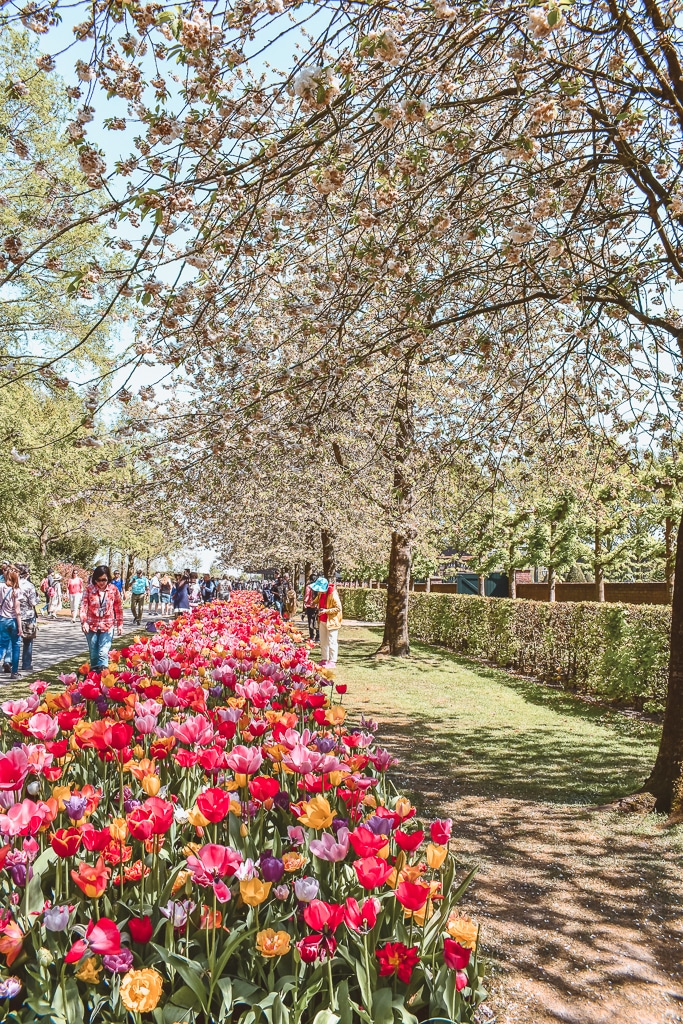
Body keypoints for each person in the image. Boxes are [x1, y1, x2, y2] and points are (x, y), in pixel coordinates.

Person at [80, 565, 123, 671]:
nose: (101, 582)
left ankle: (104, 677)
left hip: (108, 625)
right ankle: (94, 678)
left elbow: (118, 607)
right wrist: (84, 622)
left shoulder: (113, 589)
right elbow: (83, 606)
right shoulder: (89, 589)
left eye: (104, 579)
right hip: (91, 625)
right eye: (98, 580)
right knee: (94, 654)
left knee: (103, 652)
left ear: (108, 578)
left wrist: (120, 624)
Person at [311, 576, 343, 668]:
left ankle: (332, 661)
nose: (319, 591)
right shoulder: (321, 594)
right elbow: (317, 600)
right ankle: (324, 659)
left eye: (320, 589)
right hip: (322, 620)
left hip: (332, 621)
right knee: (324, 641)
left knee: (332, 641)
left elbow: (338, 608)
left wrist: (326, 611)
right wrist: (313, 603)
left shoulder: (333, 594)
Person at [0, 569, 22, 678]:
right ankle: (14, 672)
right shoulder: (17, 591)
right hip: (13, 620)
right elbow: (17, 611)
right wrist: (20, 627)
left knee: (2, 646)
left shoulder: (1, 587)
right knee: (16, 646)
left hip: (3, 619)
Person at [17, 564, 38, 673]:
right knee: (28, 640)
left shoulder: (11, 584)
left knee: (14, 641)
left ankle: (10, 661)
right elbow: (33, 602)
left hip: (15, 615)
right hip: (28, 615)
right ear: (27, 574)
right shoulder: (29, 586)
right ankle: (26, 664)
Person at [303, 574, 320, 641]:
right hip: (318, 605)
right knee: (317, 620)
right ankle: (318, 636)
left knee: (311, 620)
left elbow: (307, 595)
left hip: (310, 605)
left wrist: (305, 603)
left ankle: (312, 636)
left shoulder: (308, 586)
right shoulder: (318, 586)